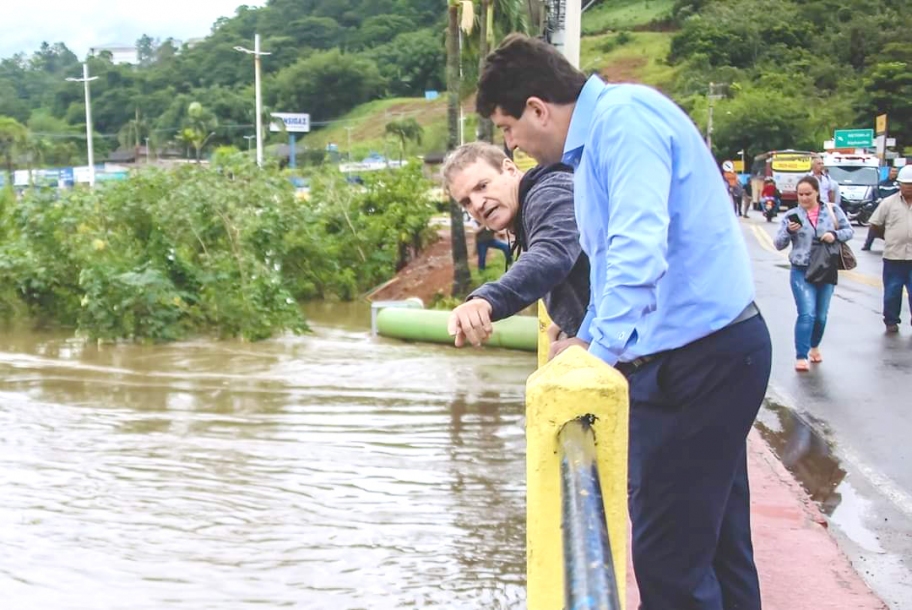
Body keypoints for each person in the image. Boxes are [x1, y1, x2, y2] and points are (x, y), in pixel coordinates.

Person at [476, 34, 772, 610]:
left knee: (669, 563)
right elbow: (614, 264)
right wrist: (589, 335)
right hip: (702, 356)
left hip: (700, 364)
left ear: (538, 108)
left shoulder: (624, 121)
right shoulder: (594, 147)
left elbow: (639, 249)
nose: (512, 143)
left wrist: (597, 355)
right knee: (718, 547)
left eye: (508, 128)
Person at [443, 141, 589, 346]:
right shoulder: (526, 213)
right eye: (466, 202)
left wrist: (486, 300)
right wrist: (569, 321)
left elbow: (551, 254)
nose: (477, 204)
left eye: (482, 186)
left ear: (510, 169)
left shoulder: (549, 193)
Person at [774, 176, 854, 371]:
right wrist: (789, 232)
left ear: (817, 192)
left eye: (808, 194)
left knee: (821, 316)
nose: (804, 198)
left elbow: (848, 231)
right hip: (801, 269)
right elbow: (778, 244)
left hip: (826, 267)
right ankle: (801, 355)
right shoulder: (792, 215)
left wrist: (833, 235)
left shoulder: (832, 210)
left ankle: (814, 346)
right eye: (800, 194)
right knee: (807, 314)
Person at [868, 164, 912, 333]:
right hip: (894, 256)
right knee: (892, 291)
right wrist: (888, 237)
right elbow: (875, 225)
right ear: (899, 184)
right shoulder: (888, 203)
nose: (908, 188)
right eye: (906, 185)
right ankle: (891, 320)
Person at [862, 166, 900, 251]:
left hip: (894, 210)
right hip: (881, 208)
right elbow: (876, 194)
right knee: (873, 225)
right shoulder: (882, 183)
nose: (894, 173)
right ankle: (867, 245)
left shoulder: (899, 184)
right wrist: (879, 200)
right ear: (889, 172)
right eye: (893, 171)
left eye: (896, 172)